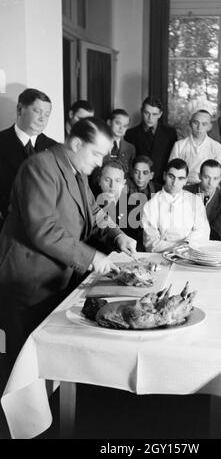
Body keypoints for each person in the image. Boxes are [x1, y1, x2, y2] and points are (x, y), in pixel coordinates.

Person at [0, 117, 137, 366]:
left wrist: (118, 236)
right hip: (29, 281)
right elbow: (44, 229)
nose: (98, 163)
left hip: (56, 276)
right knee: (25, 365)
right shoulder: (40, 167)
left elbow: (94, 213)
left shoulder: (76, 170)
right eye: (96, 154)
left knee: (50, 360)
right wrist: (92, 257)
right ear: (75, 143)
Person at [0, 88, 56, 223]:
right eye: (37, 112)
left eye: (47, 114)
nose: (43, 119)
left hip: (44, 230)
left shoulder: (55, 148)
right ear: (20, 110)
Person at [142, 159, 210, 252]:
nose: (175, 183)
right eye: (171, 176)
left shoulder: (195, 201)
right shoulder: (150, 205)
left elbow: (203, 232)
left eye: (180, 178)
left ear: (186, 180)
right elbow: (151, 243)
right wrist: (180, 247)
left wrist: (186, 244)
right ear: (164, 176)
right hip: (161, 257)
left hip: (190, 256)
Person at [125, 96, 177, 184]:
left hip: (162, 183)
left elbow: (172, 160)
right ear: (142, 112)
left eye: (154, 114)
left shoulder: (170, 133)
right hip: (138, 183)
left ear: (160, 114)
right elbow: (130, 163)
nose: (150, 118)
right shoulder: (131, 134)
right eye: (147, 113)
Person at [169, 110, 221, 185]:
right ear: (190, 123)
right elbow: (171, 171)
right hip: (183, 186)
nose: (199, 127)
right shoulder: (179, 145)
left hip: (206, 186)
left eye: (204, 124)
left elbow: (217, 173)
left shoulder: (216, 146)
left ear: (209, 127)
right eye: (196, 123)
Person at [89, 109, 135, 196]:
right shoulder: (96, 144)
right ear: (109, 122)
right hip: (96, 194)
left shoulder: (130, 148)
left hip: (121, 198)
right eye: (118, 123)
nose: (121, 128)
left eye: (125, 126)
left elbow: (130, 176)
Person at [185, 160, 221, 241]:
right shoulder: (185, 192)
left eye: (215, 178)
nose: (210, 183)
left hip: (209, 242)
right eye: (206, 177)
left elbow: (216, 231)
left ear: (220, 179)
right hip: (184, 239)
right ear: (199, 176)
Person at [126, 156, 161, 250]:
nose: (140, 177)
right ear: (132, 173)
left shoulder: (159, 191)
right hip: (129, 239)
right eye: (137, 172)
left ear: (151, 175)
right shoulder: (124, 190)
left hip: (153, 239)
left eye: (145, 173)